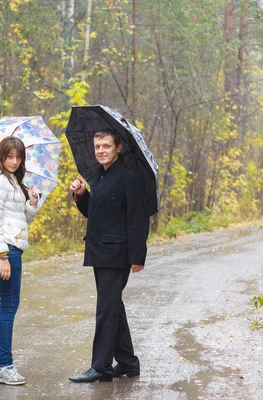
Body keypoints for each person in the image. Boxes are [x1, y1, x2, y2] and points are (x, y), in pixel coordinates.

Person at [69, 129, 150, 383]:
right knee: (113, 305)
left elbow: (138, 219)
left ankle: (101, 366)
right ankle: (127, 362)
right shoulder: (99, 176)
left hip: (117, 254)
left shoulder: (129, 177)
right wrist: (82, 194)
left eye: (106, 146)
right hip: (99, 250)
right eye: (97, 146)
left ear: (117, 148)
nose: (101, 150)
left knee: (106, 307)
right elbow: (95, 213)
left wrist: (137, 256)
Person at [0, 136, 42, 386]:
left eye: (18, 157)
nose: (14, 161)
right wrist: (2, 255)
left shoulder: (14, 182)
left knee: (10, 306)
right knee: (8, 307)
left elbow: (19, 220)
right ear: (1, 156)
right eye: (9, 156)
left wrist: (33, 203)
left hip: (11, 247)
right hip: (5, 250)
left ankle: (4, 365)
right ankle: (4, 366)